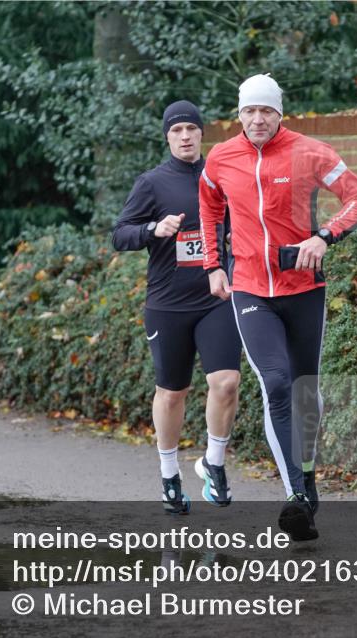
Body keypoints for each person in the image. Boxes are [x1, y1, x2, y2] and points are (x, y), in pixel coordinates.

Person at [199, 75, 357, 540]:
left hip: (303, 289)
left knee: (305, 392)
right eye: (249, 111)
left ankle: (307, 476)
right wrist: (214, 265)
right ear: (239, 114)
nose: (257, 119)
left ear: (280, 113)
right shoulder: (220, 158)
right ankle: (296, 495)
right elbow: (209, 209)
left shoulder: (310, 153)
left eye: (266, 111)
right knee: (276, 383)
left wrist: (324, 237)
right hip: (250, 288)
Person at [112, 100, 241, 515]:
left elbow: (239, 227)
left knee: (226, 383)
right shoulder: (152, 183)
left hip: (216, 298)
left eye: (191, 129)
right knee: (172, 393)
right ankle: (169, 475)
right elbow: (120, 235)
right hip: (168, 304)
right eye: (176, 130)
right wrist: (154, 229)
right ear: (167, 137)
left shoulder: (220, 177)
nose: (185, 136)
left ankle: (214, 464)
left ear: (202, 133)